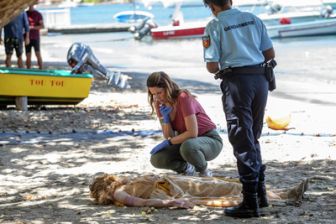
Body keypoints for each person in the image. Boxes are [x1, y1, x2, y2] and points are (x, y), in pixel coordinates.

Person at [202, 0, 276, 218]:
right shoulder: (254, 19)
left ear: (211, 6)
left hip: (237, 83)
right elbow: (270, 53)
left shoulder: (213, 27)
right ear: (231, 1)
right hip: (260, 80)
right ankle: (260, 196)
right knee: (253, 135)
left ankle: (250, 203)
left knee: (242, 137)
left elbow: (212, 66)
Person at [146, 71, 223, 177]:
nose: (157, 97)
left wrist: (168, 143)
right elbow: (169, 136)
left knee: (188, 146)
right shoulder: (158, 103)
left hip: (209, 140)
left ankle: (204, 171)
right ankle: (186, 168)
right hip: (185, 143)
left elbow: (192, 133)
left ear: (167, 88)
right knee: (157, 158)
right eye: (153, 94)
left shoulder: (183, 97)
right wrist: (166, 119)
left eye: (159, 93)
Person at [89, 173, 309, 209]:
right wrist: (170, 203)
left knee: (222, 185)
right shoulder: (118, 193)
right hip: (169, 191)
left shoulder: (121, 186)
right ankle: (284, 196)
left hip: (171, 184)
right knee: (223, 190)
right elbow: (142, 203)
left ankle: (281, 193)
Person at [25, 2, 44, 69]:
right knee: (28, 55)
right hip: (27, 37)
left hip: (35, 37)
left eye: (31, 4)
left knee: (38, 54)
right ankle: (28, 71)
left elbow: (42, 26)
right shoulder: (25, 14)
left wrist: (32, 27)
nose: (30, 5)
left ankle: (41, 69)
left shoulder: (38, 14)